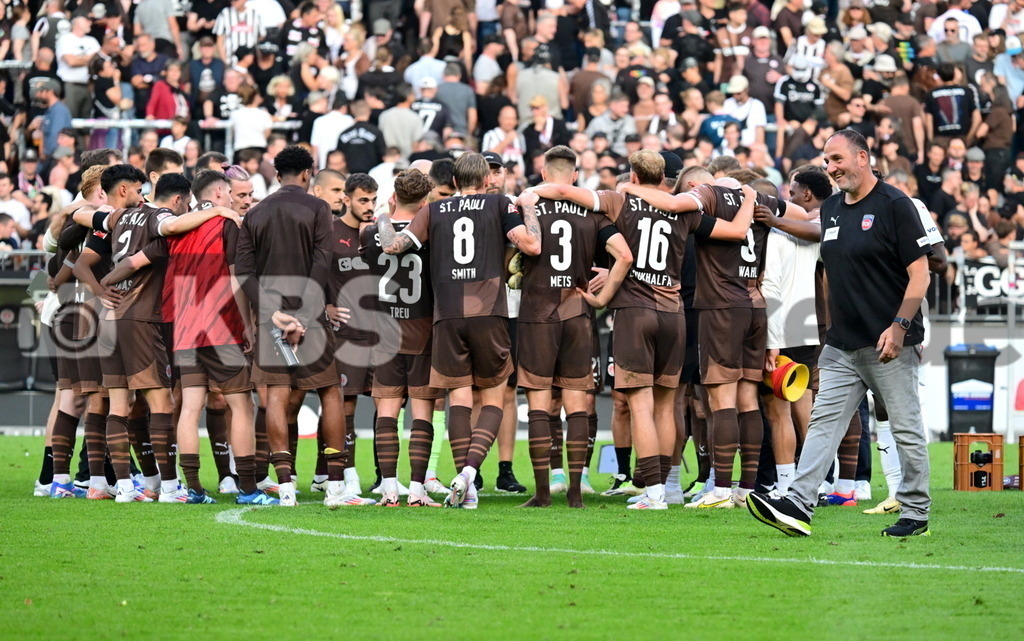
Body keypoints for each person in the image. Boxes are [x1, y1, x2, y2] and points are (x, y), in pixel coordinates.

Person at [746, 129, 934, 538]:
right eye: (826, 161)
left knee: (904, 427)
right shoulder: (831, 209)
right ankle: (797, 503)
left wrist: (900, 327)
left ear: (863, 157)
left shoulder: (896, 205)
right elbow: (822, 244)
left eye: (837, 159)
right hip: (842, 343)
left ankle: (916, 512)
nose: (830, 168)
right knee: (823, 423)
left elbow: (921, 276)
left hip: (888, 342)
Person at [375, 152, 543, 509]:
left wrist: (382, 216)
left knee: (459, 400)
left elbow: (392, 245)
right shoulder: (499, 203)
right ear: (485, 179)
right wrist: (527, 205)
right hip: (488, 312)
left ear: (452, 181)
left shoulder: (433, 210)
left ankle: (466, 488)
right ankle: (467, 475)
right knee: (495, 397)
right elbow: (531, 244)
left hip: (447, 315)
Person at [513, 146, 632, 508]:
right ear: (575, 176)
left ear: (544, 174)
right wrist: (603, 293)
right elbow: (625, 255)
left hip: (537, 310)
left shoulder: (526, 206)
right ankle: (577, 494)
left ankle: (543, 493)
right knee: (577, 403)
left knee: (538, 402)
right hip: (578, 310)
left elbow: (510, 256)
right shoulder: (592, 212)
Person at [234, 145, 349, 507]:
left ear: (277, 172)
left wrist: (272, 313)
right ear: (307, 174)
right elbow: (321, 261)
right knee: (330, 391)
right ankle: (334, 486)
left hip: (272, 318)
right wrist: (302, 314)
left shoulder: (256, 212)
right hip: (310, 314)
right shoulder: (318, 207)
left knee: (277, 398)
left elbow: (242, 273)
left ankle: (284, 487)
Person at [360, 169, 444, 506]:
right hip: (423, 329)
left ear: (393, 196)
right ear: (426, 201)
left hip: (385, 328)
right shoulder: (434, 231)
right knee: (422, 409)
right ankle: (419, 490)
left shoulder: (370, 232)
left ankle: (390, 488)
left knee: (388, 409)